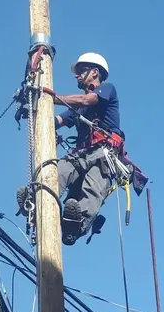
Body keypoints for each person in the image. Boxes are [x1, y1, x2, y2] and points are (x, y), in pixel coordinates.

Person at [17, 52, 125, 246]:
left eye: (81, 71)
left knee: (92, 188)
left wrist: (48, 96)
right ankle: (35, 203)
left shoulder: (107, 89)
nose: (77, 76)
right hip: (80, 155)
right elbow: (57, 120)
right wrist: (33, 109)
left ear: (94, 72)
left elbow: (86, 100)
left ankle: (75, 225)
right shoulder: (77, 109)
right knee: (57, 171)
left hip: (103, 154)